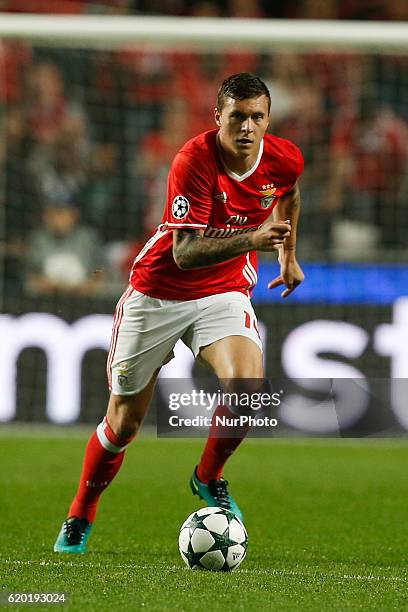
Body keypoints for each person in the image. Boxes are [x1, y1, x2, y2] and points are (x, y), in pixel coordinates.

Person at [54, 72, 304, 553]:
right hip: (160, 293)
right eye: (238, 117)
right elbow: (185, 251)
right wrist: (254, 240)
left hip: (223, 292)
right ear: (218, 118)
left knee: (248, 391)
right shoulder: (192, 160)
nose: (248, 127)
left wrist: (287, 255)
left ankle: (208, 478)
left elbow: (289, 193)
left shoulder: (283, 156)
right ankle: (80, 514)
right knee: (123, 423)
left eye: (257, 117)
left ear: (268, 119)